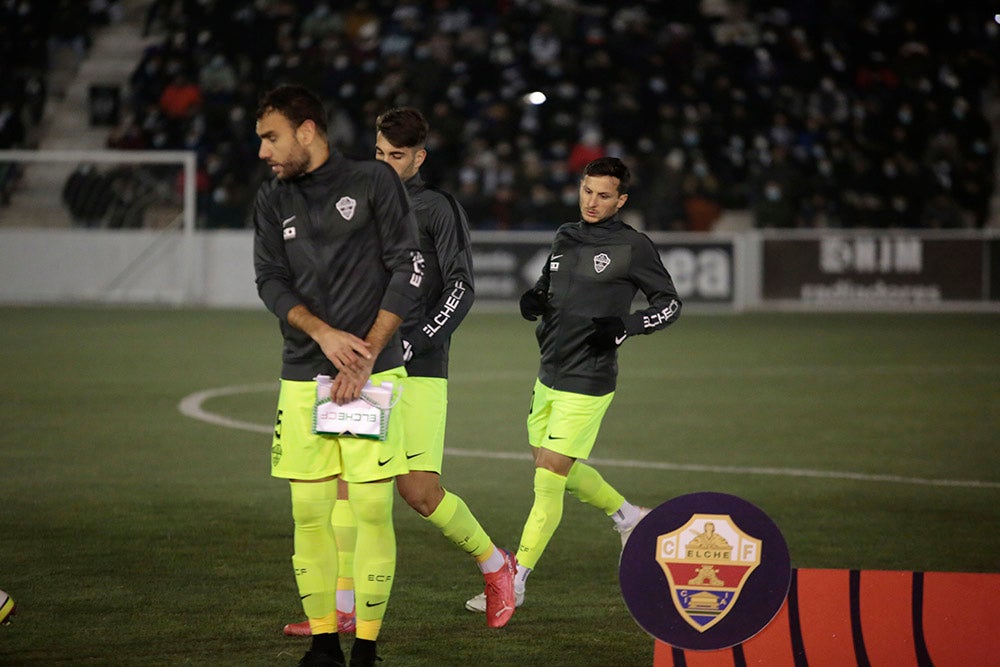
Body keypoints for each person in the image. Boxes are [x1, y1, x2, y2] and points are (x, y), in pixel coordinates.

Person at [283, 107, 516, 637]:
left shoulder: (437, 209)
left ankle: (496, 566)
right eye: (380, 154)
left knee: (418, 493)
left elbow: (461, 287)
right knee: (345, 486)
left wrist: (413, 342)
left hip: (420, 368)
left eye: (398, 157)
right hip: (360, 367)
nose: (387, 165)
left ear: (419, 157)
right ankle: (344, 607)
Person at [252, 84, 424, 667]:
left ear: (307, 130)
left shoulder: (374, 182)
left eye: (270, 137)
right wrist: (323, 335)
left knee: (373, 511)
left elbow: (408, 266)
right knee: (309, 512)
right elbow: (271, 282)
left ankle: (368, 647)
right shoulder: (272, 200)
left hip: (375, 375)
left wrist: (367, 353)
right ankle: (325, 640)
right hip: (304, 373)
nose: (263, 152)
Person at [466, 156, 681, 614]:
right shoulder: (565, 235)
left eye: (604, 195)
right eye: (587, 191)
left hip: (589, 377)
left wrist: (628, 325)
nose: (593, 201)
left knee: (547, 481)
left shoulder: (632, 247)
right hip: (549, 371)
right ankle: (629, 516)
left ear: (621, 200)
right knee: (552, 467)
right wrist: (534, 301)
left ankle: (514, 581)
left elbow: (670, 304)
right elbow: (548, 286)